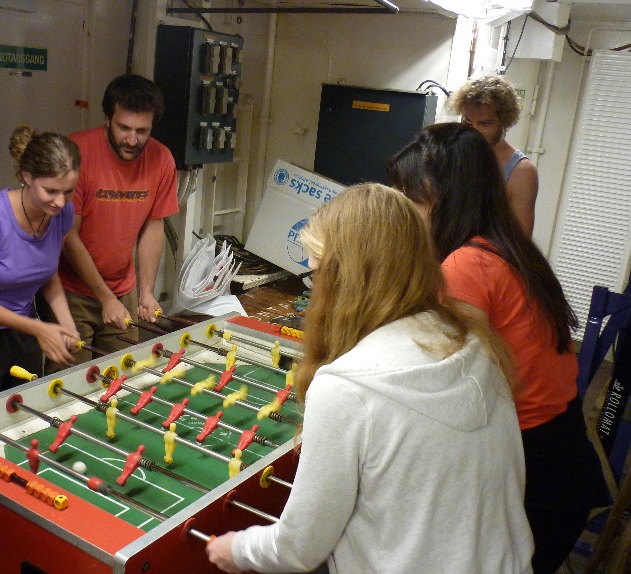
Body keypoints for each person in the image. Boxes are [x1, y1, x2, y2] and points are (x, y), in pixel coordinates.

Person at [207, 184, 534, 574]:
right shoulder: (476, 342)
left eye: (315, 275)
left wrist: (236, 548)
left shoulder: (346, 388)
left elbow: (298, 548)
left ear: (344, 280)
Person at [386, 122, 605, 574]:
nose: (404, 210)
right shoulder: (506, 246)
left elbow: (451, 389)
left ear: (444, 195)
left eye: (411, 197)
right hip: (562, 455)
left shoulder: (468, 263)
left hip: (533, 475)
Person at [0, 125, 81, 405]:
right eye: (51, 191)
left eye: (68, 191)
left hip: (24, 331)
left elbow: (47, 273)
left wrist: (66, 324)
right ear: (26, 176)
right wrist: (38, 328)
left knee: (28, 414)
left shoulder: (62, 213)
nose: (60, 201)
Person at [54, 74, 179, 364]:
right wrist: (104, 297)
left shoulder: (162, 159)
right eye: (124, 128)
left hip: (124, 290)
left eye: (142, 131)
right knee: (70, 387)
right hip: (71, 291)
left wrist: (146, 292)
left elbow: (153, 225)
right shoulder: (77, 154)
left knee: (121, 378)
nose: (132, 140)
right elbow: (67, 235)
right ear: (107, 119)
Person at [450, 75, 538, 236]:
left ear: (504, 122)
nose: (473, 131)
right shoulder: (452, 155)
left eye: (484, 124)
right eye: (468, 122)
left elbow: (521, 240)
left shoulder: (521, 171)